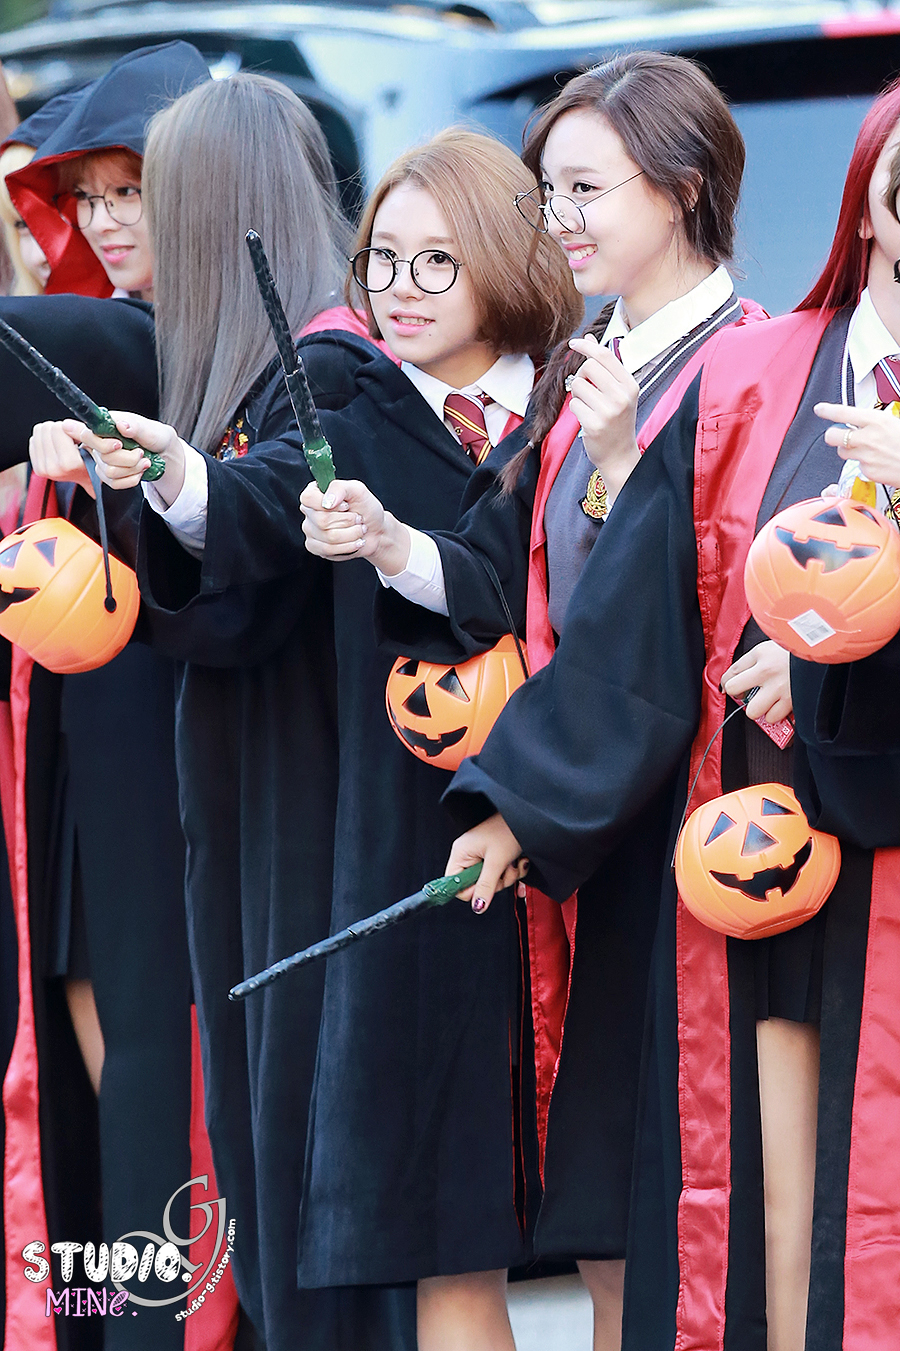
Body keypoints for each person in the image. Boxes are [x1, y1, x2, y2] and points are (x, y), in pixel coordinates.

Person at [38, 126, 581, 1351]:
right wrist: (178, 478)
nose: (400, 288)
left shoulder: (573, 406)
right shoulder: (349, 389)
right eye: (382, 257)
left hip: (594, 850)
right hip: (437, 863)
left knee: (614, 1242)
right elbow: (256, 494)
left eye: (436, 262)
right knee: (447, 1244)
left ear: (509, 257)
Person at [401, 75, 900, 1351]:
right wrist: (520, 803)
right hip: (757, 854)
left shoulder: (719, 359)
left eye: (588, 186)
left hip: (873, 847)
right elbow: (640, 615)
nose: (562, 214)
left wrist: (828, 658)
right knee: (763, 1232)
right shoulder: (753, 377)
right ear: (868, 204)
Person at [299, 51, 759, 1351]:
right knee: (611, 1227)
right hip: (587, 846)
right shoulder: (581, 372)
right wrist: (394, 543)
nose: (556, 215)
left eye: (583, 188)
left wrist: (621, 465)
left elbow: (687, 615)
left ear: (682, 187)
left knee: (688, 1228)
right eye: (547, 188)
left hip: (693, 828)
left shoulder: (759, 361)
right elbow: (507, 581)